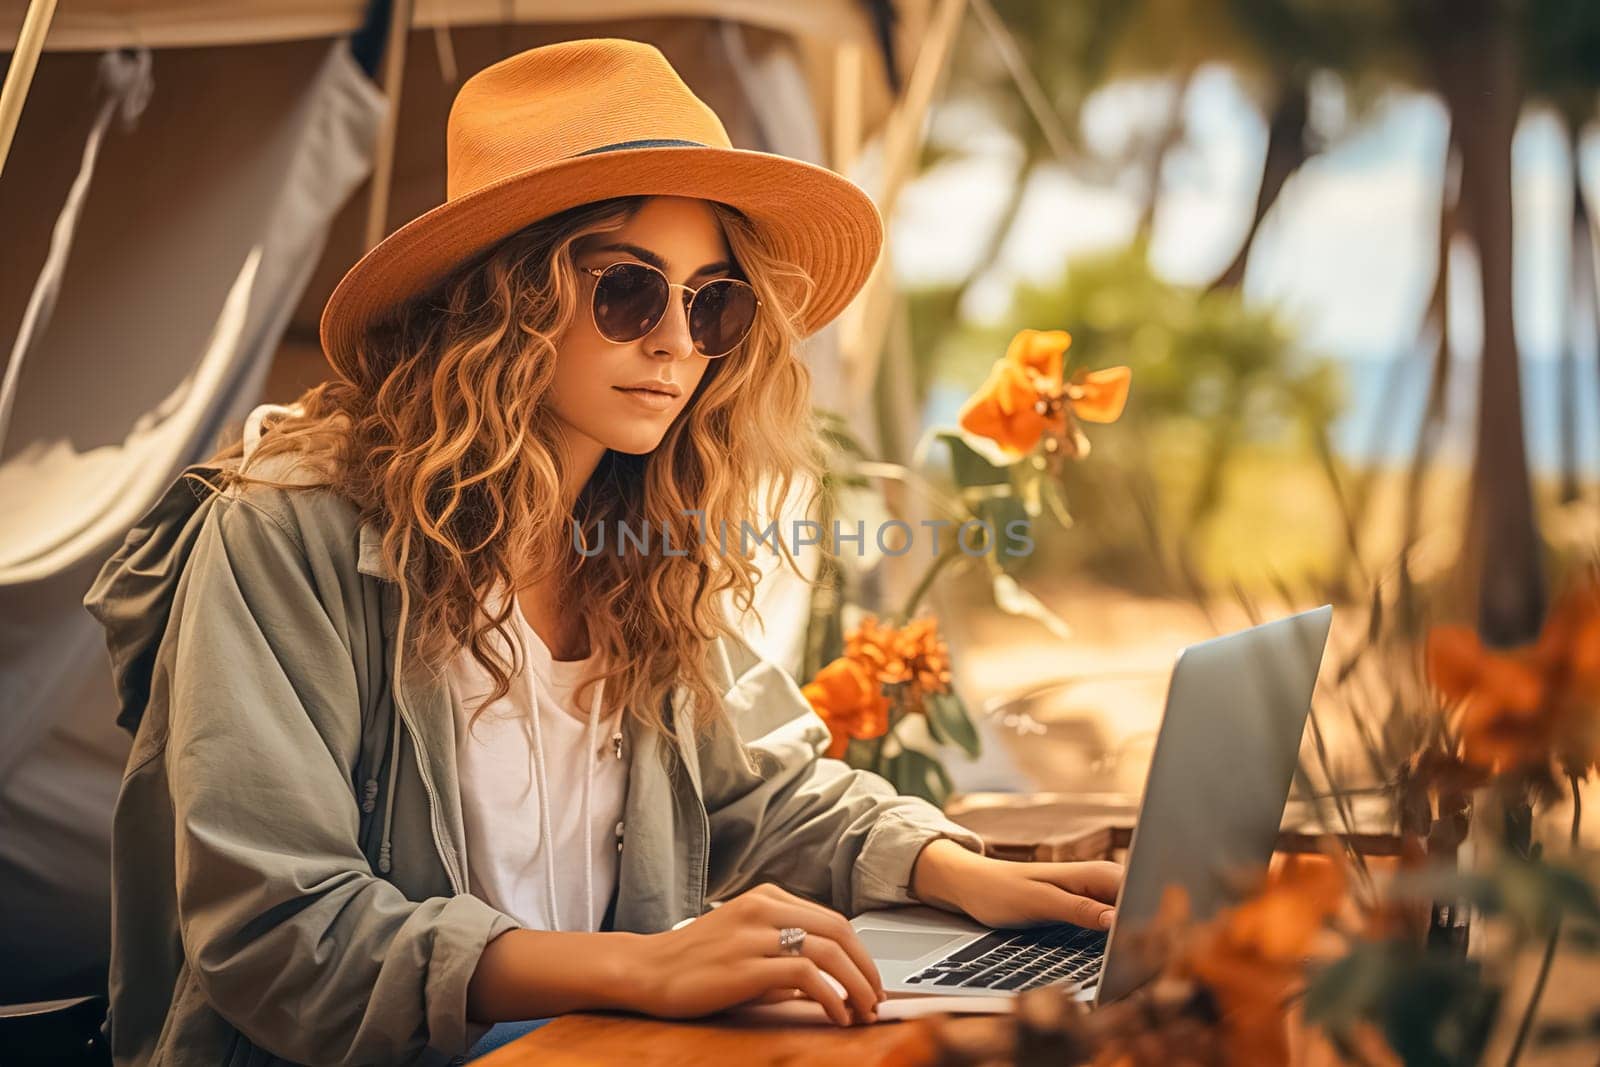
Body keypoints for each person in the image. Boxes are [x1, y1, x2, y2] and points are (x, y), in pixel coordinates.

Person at [84, 38, 1123, 1066]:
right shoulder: (286, 533)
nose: (675, 340)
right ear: (503, 296)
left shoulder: (641, 539)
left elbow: (760, 788)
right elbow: (279, 931)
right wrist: (639, 967)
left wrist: (963, 869)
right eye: (628, 290)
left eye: (712, 301)